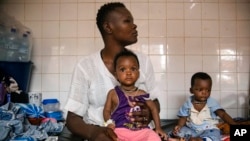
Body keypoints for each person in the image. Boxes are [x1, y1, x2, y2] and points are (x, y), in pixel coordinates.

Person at [59, 2, 161, 141]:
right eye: (127, 21)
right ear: (108, 27)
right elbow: (73, 118)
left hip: (140, 135)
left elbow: (154, 102)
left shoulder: (143, 61)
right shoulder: (86, 66)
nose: (134, 25)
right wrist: (96, 133)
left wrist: (146, 115)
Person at [103, 50, 168, 141]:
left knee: (154, 137)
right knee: (110, 137)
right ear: (116, 75)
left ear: (138, 73)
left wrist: (158, 127)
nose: (128, 73)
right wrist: (109, 123)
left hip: (141, 131)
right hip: (120, 131)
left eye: (133, 69)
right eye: (123, 69)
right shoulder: (113, 93)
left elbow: (154, 109)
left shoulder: (142, 93)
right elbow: (106, 111)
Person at [169, 72, 238, 141]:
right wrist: (179, 126)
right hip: (191, 129)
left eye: (208, 90)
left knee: (215, 133)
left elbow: (223, 114)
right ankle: (181, 138)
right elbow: (183, 117)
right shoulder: (188, 103)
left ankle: (202, 139)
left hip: (208, 129)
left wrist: (233, 124)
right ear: (191, 90)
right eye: (200, 90)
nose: (204, 93)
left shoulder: (211, 102)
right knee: (180, 131)